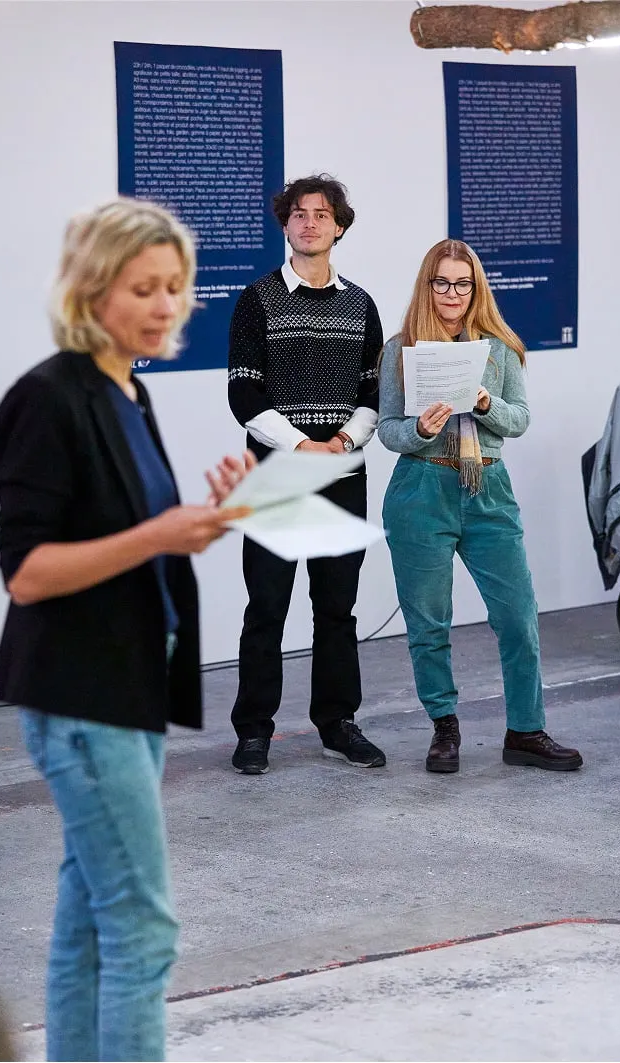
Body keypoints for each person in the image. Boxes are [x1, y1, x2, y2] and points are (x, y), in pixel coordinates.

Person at [0, 198, 253, 1062]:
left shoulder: (128, 391)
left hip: (129, 687)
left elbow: (139, 536)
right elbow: (28, 573)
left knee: (92, 923)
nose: (164, 305)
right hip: (81, 698)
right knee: (144, 928)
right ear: (90, 288)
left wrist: (207, 517)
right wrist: (158, 534)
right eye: (143, 288)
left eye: (175, 287)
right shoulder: (45, 398)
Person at [378, 239, 582, 774]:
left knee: (518, 616)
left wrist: (486, 403)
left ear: (476, 288)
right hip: (422, 489)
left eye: (462, 284)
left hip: (487, 487)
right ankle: (444, 727)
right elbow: (388, 429)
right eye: (442, 282)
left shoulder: (500, 347)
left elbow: (520, 420)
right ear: (427, 285)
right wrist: (421, 429)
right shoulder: (400, 348)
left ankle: (526, 731)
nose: (452, 293)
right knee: (429, 624)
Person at [227, 174, 386, 774]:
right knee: (266, 606)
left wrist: (341, 442)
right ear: (286, 224)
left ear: (339, 226)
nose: (310, 222)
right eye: (299, 213)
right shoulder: (257, 299)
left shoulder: (361, 304)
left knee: (337, 607)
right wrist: (302, 445)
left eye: (322, 214)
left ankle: (338, 723)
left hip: (343, 471)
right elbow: (244, 392)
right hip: (276, 473)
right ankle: (253, 731)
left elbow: (374, 391)